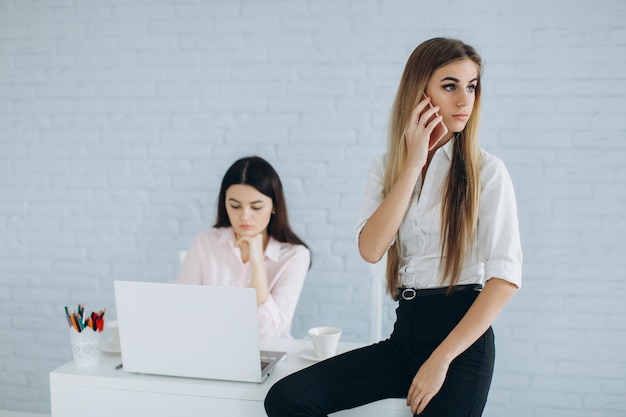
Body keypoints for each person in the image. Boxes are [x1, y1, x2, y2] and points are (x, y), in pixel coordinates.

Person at [264, 37, 522, 416]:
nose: (465, 99)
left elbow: (504, 280)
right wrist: (413, 163)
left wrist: (440, 360)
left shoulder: (488, 171)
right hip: (405, 337)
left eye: (471, 86)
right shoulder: (386, 167)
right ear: (420, 91)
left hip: (461, 347)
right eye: (450, 86)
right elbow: (371, 249)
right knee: (286, 399)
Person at [176, 156, 311, 341]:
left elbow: (268, 334)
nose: (244, 216)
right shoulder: (205, 242)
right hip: (211, 347)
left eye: (256, 207)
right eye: (235, 206)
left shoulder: (295, 256)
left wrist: (257, 265)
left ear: (274, 207)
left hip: (268, 352)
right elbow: (179, 308)